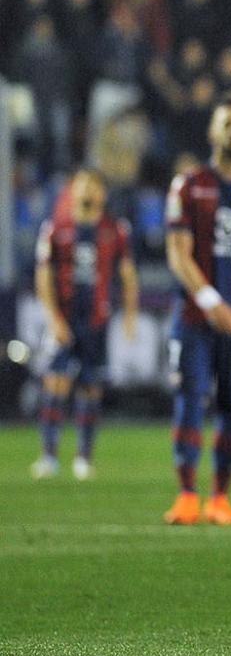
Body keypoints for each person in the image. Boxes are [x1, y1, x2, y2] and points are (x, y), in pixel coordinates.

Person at [162, 101, 231, 525]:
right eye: (227, 123)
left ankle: (220, 498)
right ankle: (187, 495)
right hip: (194, 319)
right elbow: (178, 255)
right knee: (189, 401)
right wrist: (211, 302)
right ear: (211, 132)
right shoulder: (188, 185)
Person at [32, 169, 138, 481]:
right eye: (82, 185)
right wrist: (53, 319)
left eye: (94, 185)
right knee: (55, 382)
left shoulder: (116, 229)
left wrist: (130, 315)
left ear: (103, 193)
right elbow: (43, 276)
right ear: (72, 191)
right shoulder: (55, 228)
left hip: (97, 320)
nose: (87, 191)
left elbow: (128, 274)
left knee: (91, 387)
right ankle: (49, 457)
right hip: (64, 319)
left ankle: (83, 458)